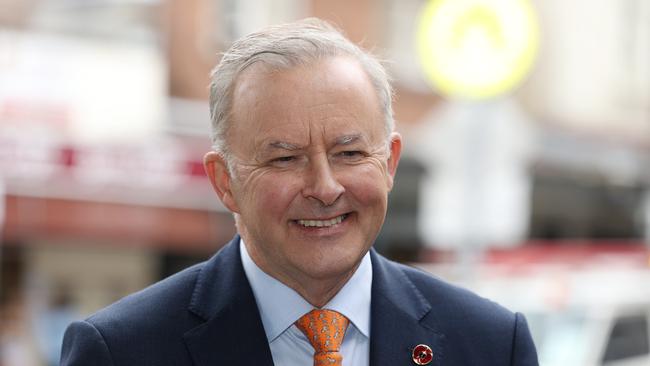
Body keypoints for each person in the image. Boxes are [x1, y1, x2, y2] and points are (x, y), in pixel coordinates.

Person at [60, 18, 538, 366]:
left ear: (390, 162)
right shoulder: (120, 351)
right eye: (285, 159)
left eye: (349, 154)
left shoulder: (491, 345)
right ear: (225, 181)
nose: (325, 188)